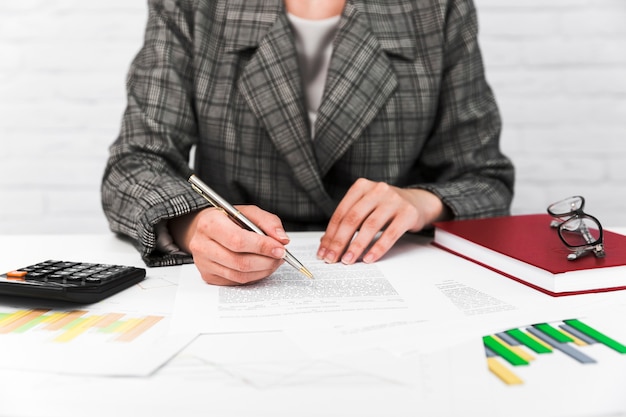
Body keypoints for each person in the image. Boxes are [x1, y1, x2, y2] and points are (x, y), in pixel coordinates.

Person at [101, 0, 515, 286]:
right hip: (233, 286)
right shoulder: (193, 6)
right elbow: (134, 165)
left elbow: (484, 179)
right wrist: (195, 225)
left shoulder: (435, 7)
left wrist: (419, 202)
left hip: (393, 273)